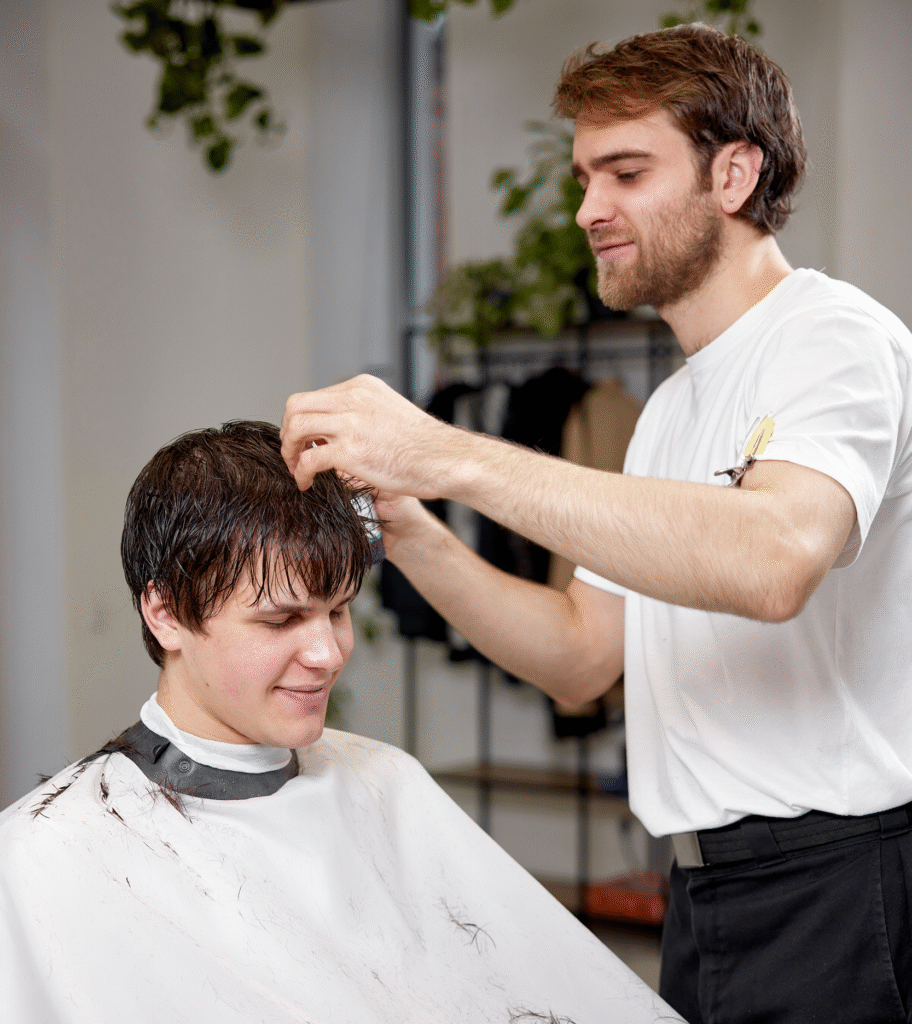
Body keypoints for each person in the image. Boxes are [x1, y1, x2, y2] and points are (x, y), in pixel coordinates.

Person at [280, 24, 912, 1024]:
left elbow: (776, 559)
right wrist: (414, 530)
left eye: (625, 172)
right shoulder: (668, 411)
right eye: (583, 178)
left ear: (733, 174)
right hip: (704, 893)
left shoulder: (833, 341)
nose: (587, 210)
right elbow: (581, 655)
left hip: (836, 887)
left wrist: (446, 453)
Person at [0, 420, 681, 1024]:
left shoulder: (384, 781)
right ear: (166, 614)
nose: (327, 653)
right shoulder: (51, 853)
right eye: (281, 619)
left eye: (338, 610)